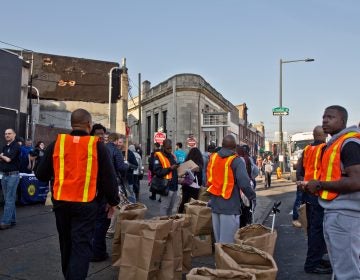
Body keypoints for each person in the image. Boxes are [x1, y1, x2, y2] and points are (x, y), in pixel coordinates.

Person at [35, 109, 120, 279]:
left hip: (61, 204)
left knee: (66, 245)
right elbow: (109, 178)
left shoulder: (58, 143)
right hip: (86, 205)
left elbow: (41, 174)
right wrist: (113, 201)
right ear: (89, 125)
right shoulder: (96, 146)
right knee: (81, 247)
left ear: (71, 124)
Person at [303, 105, 360, 279]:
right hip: (335, 211)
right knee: (341, 266)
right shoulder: (334, 143)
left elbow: (356, 181)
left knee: (348, 271)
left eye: (330, 117)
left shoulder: (349, 143)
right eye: (323, 117)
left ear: (342, 120)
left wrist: (320, 185)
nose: (324, 120)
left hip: (346, 215)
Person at [207, 135, 256, 243]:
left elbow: (209, 179)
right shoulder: (236, 161)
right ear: (234, 147)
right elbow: (244, 183)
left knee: (219, 241)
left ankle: (219, 259)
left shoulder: (214, 158)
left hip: (215, 203)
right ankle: (225, 260)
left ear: (222, 145)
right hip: (230, 205)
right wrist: (252, 196)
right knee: (228, 243)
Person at [296, 125, 331, 274]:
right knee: (318, 229)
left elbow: (300, 172)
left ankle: (316, 259)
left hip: (308, 193)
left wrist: (303, 185)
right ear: (324, 135)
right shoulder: (326, 149)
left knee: (313, 229)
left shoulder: (307, 150)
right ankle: (312, 264)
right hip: (320, 193)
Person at [0, 128, 21, 230]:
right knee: (8, 199)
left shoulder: (16, 146)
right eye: (5, 133)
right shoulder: (5, 147)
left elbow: (8, 159)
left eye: (9, 133)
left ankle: (5, 222)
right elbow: (4, 159)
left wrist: (3, 156)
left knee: (9, 199)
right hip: (4, 175)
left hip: (13, 175)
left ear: (14, 135)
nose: (7, 135)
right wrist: (3, 157)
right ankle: (12, 220)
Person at [153, 139, 179, 216]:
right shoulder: (158, 156)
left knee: (170, 208)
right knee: (164, 207)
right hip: (166, 186)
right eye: (168, 148)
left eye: (171, 148)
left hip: (174, 186)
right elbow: (157, 172)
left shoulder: (172, 156)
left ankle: (169, 224)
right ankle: (163, 225)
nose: (170, 150)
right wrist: (170, 168)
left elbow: (173, 170)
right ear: (163, 147)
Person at [178, 147, 204, 213]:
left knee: (184, 202)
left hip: (186, 185)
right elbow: (200, 178)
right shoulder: (199, 165)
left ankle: (180, 216)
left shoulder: (187, 163)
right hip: (195, 187)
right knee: (193, 204)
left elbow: (182, 173)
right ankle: (191, 217)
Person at [117, 135, 138, 203]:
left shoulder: (130, 153)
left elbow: (135, 166)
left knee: (130, 196)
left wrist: (128, 164)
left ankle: (133, 209)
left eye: (120, 142)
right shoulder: (116, 152)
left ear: (124, 143)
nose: (118, 144)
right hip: (119, 180)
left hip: (128, 179)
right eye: (117, 142)